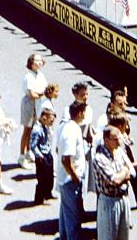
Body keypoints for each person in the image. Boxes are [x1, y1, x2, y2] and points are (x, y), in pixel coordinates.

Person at [93, 124, 137, 240]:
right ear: (106, 140)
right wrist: (125, 170)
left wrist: (125, 171)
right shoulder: (99, 158)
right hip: (109, 202)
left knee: (123, 236)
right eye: (116, 140)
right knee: (108, 236)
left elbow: (132, 173)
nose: (119, 142)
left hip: (123, 198)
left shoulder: (119, 151)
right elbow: (114, 180)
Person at [57, 101, 88, 240]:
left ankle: (64, 236)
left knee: (66, 212)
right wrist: (75, 177)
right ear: (80, 113)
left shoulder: (65, 126)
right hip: (70, 180)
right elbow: (66, 159)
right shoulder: (72, 130)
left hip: (64, 178)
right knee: (73, 218)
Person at [19, 53, 48, 168]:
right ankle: (21, 156)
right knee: (27, 130)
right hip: (29, 104)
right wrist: (41, 94)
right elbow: (32, 94)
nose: (40, 62)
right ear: (31, 62)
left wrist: (41, 94)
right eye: (37, 60)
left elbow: (45, 89)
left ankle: (28, 151)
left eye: (41, 60)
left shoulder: (41, 75)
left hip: (38, 104)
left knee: (33, 129)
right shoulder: (28, 76)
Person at [30, 107, 57, 204]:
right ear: (44, 118)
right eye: (51, 121)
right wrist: (40, 156)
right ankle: (38, 198)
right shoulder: (37, 130)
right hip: (41, 156)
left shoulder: (45, 127)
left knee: (50, 176)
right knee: (42, 178)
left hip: (47, 153)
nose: (52, 123)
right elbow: (33, 146)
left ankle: (48, 193)